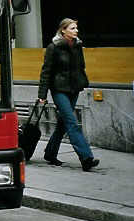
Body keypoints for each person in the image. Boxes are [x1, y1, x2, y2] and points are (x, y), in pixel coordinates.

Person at [36, 18, 99, 171]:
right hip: (59, 90)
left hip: (74, 89)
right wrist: (42, 94)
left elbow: (81, 67)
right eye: (72, 28)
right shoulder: (54, 47)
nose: (76, 31)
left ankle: (50, 153)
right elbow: (46, 72)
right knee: (71, 122)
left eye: (76, 28)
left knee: (63, 123)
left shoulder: (78, 45)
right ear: (63, 30)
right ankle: (86, 157)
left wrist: (82, 81)